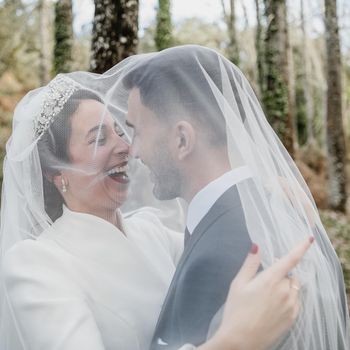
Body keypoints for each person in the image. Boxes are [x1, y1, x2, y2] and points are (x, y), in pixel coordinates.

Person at [0, 74, 312, 350]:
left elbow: (227, 253)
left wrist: (266, 196)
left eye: (120, 131)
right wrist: (234, 342)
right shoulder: (36, 264)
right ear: (58, 174)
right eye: (98, 139)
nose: (125, 147)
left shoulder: (152, 232)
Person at [117, 45, 348, 349]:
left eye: (137, 132)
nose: (133, 151)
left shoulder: (219, 256)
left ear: (182, 140)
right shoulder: (285, 213)